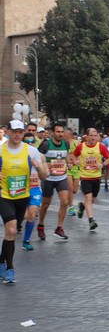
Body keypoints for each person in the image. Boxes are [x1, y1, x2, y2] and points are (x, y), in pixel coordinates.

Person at [0, 120, 47, 283]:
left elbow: (44, 177)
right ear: (8, 132)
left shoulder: (31, 151)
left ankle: (1, 261)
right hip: (4, 196)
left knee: (10, 233)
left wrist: (38, 167)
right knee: (11, 230)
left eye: (21, 131)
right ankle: (10, 269)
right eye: (15, 131)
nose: (18, 134)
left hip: (22, 197)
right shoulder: (1, 150)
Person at [37, 123, 71, 240]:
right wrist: (45, 165)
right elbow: (38, 157)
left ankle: (59, 228)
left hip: (62, 177)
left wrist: (69, 163)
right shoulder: (46, 144)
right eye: (58, 132)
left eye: (62, 132)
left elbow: (66, 156)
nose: (60, 134)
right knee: (46, 204)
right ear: (52, 133)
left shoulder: (66, 144)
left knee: (65, 202)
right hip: (49, 179)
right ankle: (41, 225)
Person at [73, 128, 109, 230]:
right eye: (91, 136)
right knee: (88, 199)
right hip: (85, 177)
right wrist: (76, 161)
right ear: (87, 136)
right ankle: (91, 220)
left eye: (95, 136)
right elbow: (74, 155)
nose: (94, 138)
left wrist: (102, 165)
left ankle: (82, 206)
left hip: (96, 177)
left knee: (92, 200)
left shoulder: (100, 147)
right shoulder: (81, 146)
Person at [21, 132, 48, 250]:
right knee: (23, 216)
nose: (30, 144)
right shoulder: (18, 155)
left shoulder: (40, 156)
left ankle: (26, 240)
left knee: (32, 215)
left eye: (32, 142)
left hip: (35, 188)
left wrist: (38, 167)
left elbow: (45, 176)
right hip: (21, 188)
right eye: (27, 142)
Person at [64, 128, 81, 217]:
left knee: (74, 190)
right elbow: (65, 154)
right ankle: (71, 207)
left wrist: (78, 161)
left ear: (69, 134)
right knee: (70, 187)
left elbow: (81, 154)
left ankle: (68, 198)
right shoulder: (63, 144)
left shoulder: (77, 143)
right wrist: (67, 163)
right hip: (68, 168)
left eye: (65, 133)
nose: (63, 135)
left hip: (76, 168)